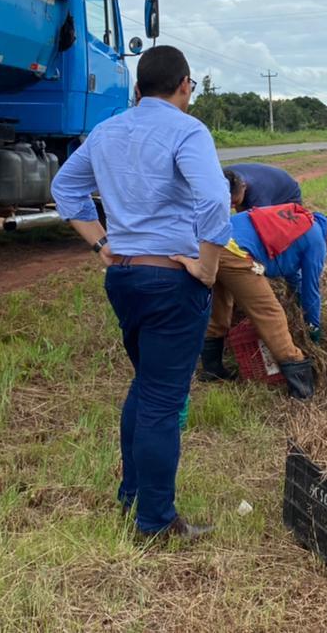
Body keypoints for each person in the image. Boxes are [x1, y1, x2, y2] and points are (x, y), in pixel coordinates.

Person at [53, 45, 230, 542]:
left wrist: (101, 244)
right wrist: (209, 267)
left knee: (145, 386)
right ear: (184, 84)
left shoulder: (107, 131)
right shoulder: (187, 130)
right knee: (161, 398)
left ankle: (132, 496)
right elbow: (216, 197)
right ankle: (154, 521)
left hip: (124, 277)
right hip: (173, 280)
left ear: (137, 88)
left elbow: (65, 187)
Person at [200, 205, 327, 394]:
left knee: (220, 308)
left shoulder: (300, 221)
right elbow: (311, 290)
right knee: (271, 314)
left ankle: (212, 371)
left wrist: (295, 298)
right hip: (237, 253)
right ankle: (302, 388)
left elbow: (293, 274)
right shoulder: (317, 241)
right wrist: (314, 329)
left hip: (211, 243)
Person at [225, 163, 303, 211]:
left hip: (287, 196)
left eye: (234, 203)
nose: (231, 207)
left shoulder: (258, 195)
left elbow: (262, 221)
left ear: (244, 187)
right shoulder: (220, 178)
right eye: (228, 202)